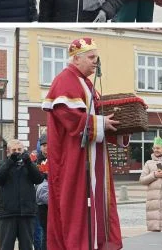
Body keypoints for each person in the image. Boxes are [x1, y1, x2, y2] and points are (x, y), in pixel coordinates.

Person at [42, 38, 125, 249]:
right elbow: (69, 117)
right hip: (73, 160)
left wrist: (119, 127)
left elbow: (97, 117)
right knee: (75, 206)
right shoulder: (65, 80)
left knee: (94, 205)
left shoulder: (86, 83)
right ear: (76, 59)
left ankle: (96, 243)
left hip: (90, 158)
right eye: (91, 57)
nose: (96, 62)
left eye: (96, 57)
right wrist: (101, 123)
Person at [0, 139, 44, 250]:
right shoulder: (0, 164)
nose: (17, 152)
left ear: (23, 150)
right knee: (6, 246)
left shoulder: (29, 164)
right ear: (8, 152)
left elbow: (39, 179)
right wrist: (10, 162)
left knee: (27, 246)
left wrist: (29, 163)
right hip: (7, 213)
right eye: (14, 150)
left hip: (26, 213)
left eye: (19, 150)